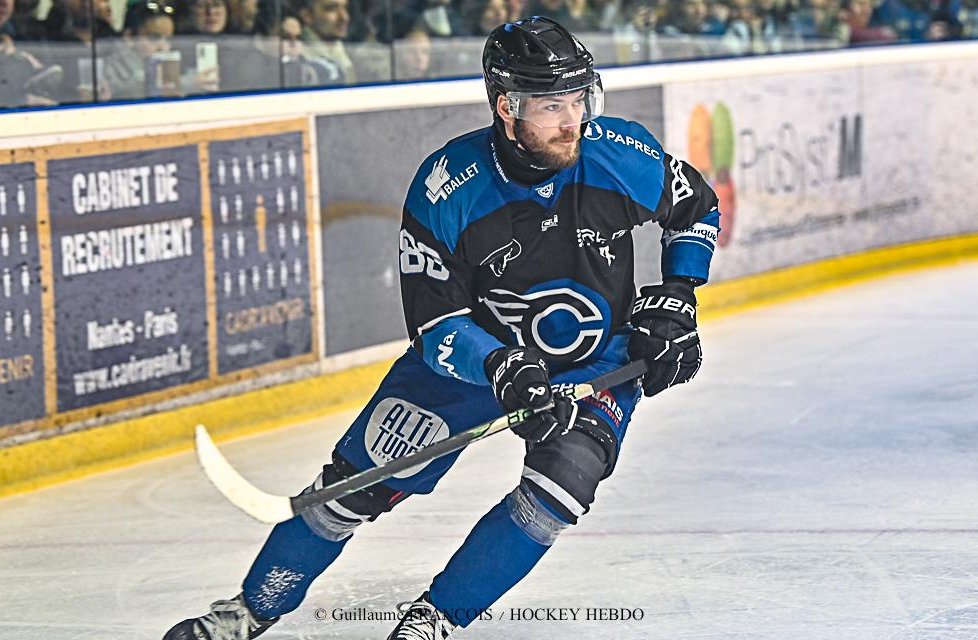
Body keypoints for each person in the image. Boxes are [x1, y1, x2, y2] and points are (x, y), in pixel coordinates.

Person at [163, 16, 720, 640]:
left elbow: (696, 208)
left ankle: (432, 620)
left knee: (561, 488)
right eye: (552, 107)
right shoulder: (448, 188)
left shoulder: (617, 153)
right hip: (473, 363)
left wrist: (678, 296)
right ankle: (246, 614)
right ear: (507, 108)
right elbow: (437, 326)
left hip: (595, 361)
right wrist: (501, 366)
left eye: (578, 100)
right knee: (349, 492)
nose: (573, 122)